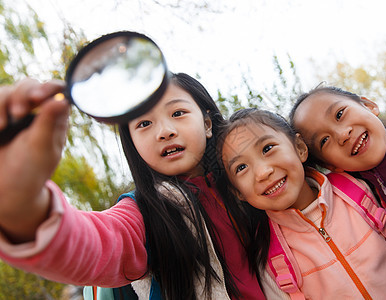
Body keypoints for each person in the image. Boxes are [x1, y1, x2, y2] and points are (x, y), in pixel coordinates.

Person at [0, 74, 271, 300]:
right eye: (144, 123)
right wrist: (20, 203)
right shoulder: (146, 214)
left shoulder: (257, 185)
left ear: (208, 123)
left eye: (178, 113)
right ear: (132, 144)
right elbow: (95, 244)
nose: (164, 131)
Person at [218, 108, 386, 299]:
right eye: (241, 168)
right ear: (238, 192)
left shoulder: (355, 192)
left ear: (300, 148)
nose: (262, 172)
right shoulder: (270, 256)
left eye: (267, 149)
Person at [289, 85, 386, 293]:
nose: (342, 134)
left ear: (369, 105)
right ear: (331, 167)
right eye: (324, 141)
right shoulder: (376, 201)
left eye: (339, 114)